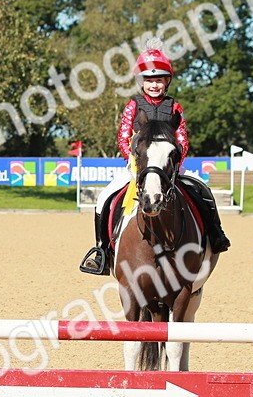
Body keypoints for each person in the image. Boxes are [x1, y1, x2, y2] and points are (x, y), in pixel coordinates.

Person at [79, 39, 230, 276]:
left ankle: (216, 235)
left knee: (203, 191)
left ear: (167, 81)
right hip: (138, 167)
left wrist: (175, 161)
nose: (154, 85)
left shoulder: (174, 107)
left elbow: (182, 138)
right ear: (141, 82)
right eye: (149, 80)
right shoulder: (133, 105)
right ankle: (102, 251)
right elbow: (123, 135)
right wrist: (134, 159)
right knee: (104, 198)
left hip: (168, 168)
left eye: (159, 80)